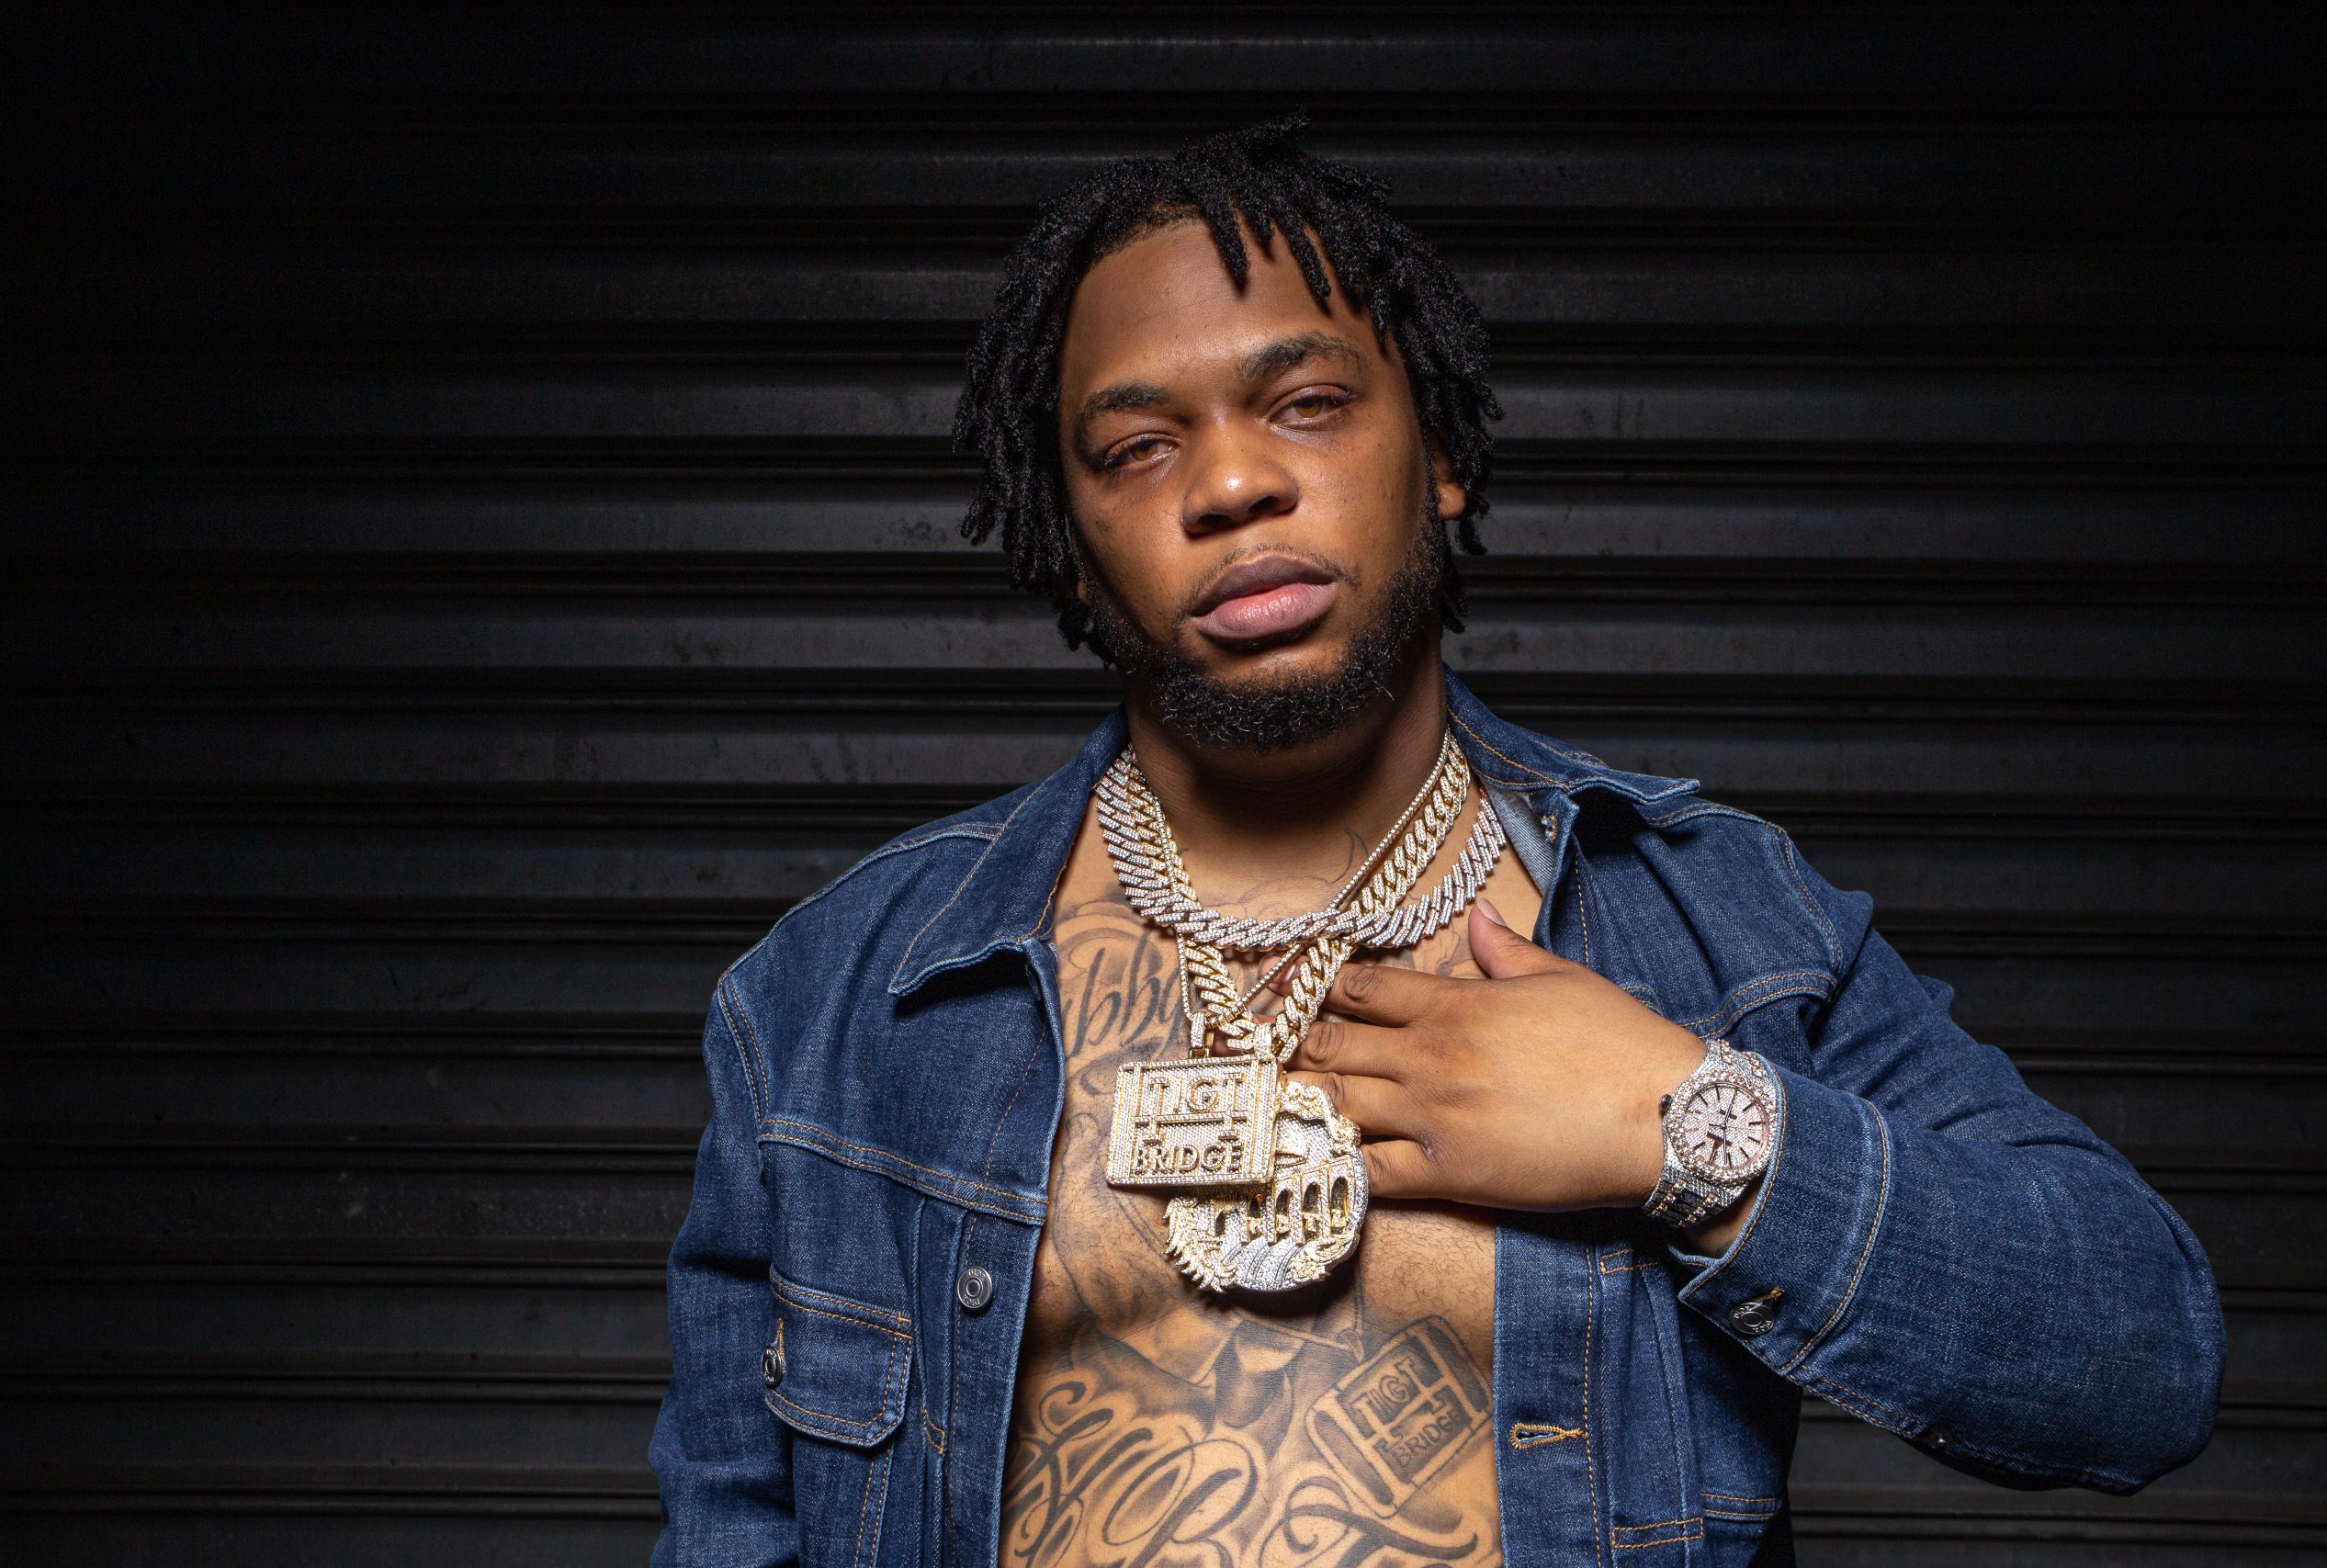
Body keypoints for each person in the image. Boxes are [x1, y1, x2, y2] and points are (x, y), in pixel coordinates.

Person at [648, 121, 2220, 1568]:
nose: (1235, 482)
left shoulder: (1716, 924)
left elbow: (2144, 1356)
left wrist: (1684, 1128)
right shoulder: (836, 1003)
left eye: (1308, 403)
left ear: (1443, 454)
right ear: (1070, 548)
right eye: (1137, 447)